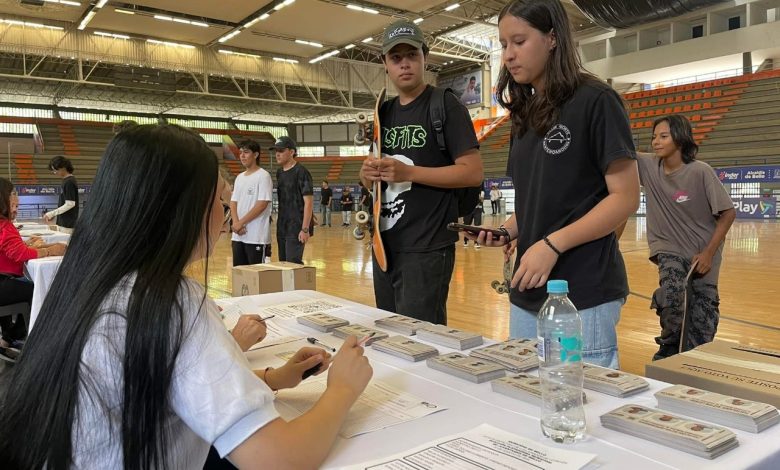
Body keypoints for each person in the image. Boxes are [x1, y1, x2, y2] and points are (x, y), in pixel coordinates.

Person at [0, 125, 372, 468]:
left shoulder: (83, 278)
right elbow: (280, 459)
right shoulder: (169, 300)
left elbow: (165, 383)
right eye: (220, 200)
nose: (225, 214)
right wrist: (342, 388)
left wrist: (273, 377)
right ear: (184, 210)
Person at [473, 0, 639, 369]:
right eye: (503, 45)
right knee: (525, 390)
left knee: (581, 394)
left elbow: (625, 198)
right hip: (528, 289)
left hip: (583, 292)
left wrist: (551, 244)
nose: (508, 55)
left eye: (519, 41)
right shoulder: (523, 114)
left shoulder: (596, 101)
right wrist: (508, 230)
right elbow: (539, 200)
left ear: (552, 38)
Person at [360, 19, 483, 325]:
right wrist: (366, 174)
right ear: (385, 63)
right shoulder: (383, 112)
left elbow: (472, 172)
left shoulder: (445, 105)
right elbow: (372, 181)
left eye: (412, 55)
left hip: (427, 247)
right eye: (396, 58)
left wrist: (409, 173)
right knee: (391, 336)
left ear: (424, 57)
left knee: (421, 339)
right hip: (384, 246)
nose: (405, 64)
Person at [639, 115, 735, 360]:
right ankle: (666, 355)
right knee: (673, 297)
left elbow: (728, 213)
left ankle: (692, 364)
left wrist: (708, 253)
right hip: (668, 248)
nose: (655, 142)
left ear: (680, 139)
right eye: (654, 136)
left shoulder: (701, 171)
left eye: (663, 136)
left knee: (703, 323)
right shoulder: (647, 166)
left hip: (703, 253)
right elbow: (617, 149)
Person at [0, 181, 67, 362]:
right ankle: (25, 342)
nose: (16, 207)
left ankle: (8, 337)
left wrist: (28, 244)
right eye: (13, 199)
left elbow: (10, 249)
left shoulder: (4, 225)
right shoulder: (5, 226)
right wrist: (50, 251)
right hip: (3, 282)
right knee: (39, 291)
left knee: (26, 286)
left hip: (4, 279)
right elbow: (19, 254)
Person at [230, 139, 273, 267]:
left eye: (246, 152)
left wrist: (240, 223)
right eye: (240, 153)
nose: (242, 156)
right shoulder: (239, 177)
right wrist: (236, 223)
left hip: (256, 237)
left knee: (257, 276)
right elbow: (233, 202)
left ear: (255, 155)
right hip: (238, 236)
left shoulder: (263, 176)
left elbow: (262, 204)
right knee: (240, 274)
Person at [272, 136, 314, 265]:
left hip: (296, 226)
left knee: (293, 264)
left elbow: (308, 202)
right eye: (276, 151)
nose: (277, 154)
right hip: (282, 225)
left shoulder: (301, 172)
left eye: (281, 151)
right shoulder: (279, 172)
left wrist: (305, 229)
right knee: (283, 263)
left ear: (291, 152)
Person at [43, 156, 78, 233]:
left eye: (55, 170)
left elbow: (70, 204)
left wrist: (52, 213)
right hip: (63, 222)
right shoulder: (66, 181)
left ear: (63, 167)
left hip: (67, 224)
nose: (54, 172)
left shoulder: (69, 182)